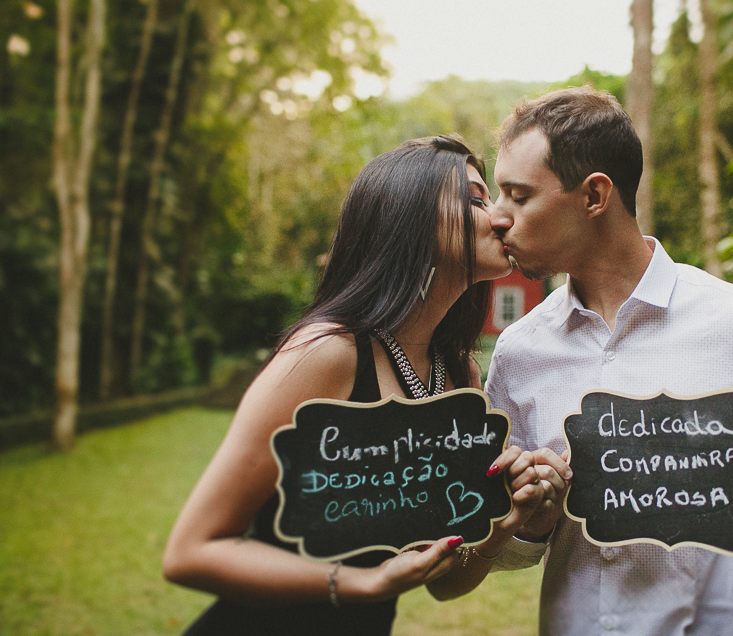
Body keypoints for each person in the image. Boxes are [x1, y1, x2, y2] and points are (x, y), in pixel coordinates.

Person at [483, 86, 733, 635]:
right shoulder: (518, 352)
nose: (497, 217)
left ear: (594, 196)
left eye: (518, 196)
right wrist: (529, 524)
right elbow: (501, 546)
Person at [162, 135, 546, 635]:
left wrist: (505, 522)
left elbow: (443, 583)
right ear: (410, 218)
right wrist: (357, 584)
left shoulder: (459, 377)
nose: (500, 216)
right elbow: (191, 552)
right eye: (475, 199)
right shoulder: (329, 353)